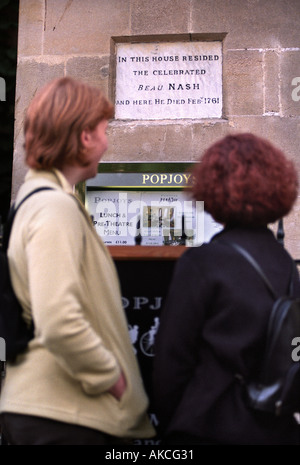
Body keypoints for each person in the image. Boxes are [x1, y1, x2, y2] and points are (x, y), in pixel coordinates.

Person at [0, 77, 155, 445]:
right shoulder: (55, 207)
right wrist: (113, 380)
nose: (106, 142)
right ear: (84, 136)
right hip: (65, 414)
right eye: (103, 130)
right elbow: (59, 320)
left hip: (54, 411)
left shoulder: (39, 200)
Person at [153, 133, 300, 445]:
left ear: (213, 187)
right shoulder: (285, 264)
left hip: (208, 425)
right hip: (275, 429)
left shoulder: (202, 262)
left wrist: (175, 423)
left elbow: (170, 362)